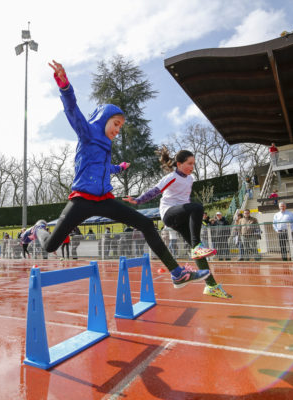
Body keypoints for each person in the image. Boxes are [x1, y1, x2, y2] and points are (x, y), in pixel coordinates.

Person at [27, 60, 210, 289]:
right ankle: (38, 229)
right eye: (116, 124)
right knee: (51, 246)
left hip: (104, 201)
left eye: (121, 126)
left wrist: (120, 168)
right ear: (104, 120)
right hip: (81, 201)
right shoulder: (87, 133)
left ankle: (176, 273)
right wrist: (65, 86)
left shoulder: (106, 146)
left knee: (146, 224)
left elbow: (105, 169)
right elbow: (72, 110)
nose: (118, 129)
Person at [123, 147, 231, 298]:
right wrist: (138, 200)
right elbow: (155, 191)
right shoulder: (172, 177)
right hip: (169, 213)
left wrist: (189, 217)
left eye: (194, 164)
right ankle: (197, 247)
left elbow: (184, 200)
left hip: (181, 215)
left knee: (197, 249)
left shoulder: (190, 179)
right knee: (197, 208)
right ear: (179, 164)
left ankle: (211, 286)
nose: (192, 167)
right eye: (189, 163)